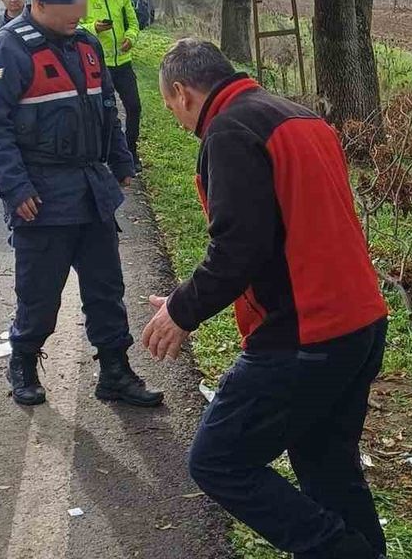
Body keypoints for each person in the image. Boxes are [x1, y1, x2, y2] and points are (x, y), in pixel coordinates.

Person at [141, 39, 390, 559]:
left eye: (170, 108)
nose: (179, 122)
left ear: (183, 93)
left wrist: (181, 312)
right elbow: (280, 232)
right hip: (361, 321)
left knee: (217, 460)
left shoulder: (229, 132)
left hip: (305, 332)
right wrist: (188, 297)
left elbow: (238, 249)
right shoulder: (295, 115)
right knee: (327, 464)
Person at [0, 0, 161, 409]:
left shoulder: (87, 44)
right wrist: (15, 188)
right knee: (39, 293)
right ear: (40, 3)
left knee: (106, 288)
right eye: (71, 5)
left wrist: (121, 160)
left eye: (81, 2)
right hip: (41, 195)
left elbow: (106, 109)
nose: (80, 12)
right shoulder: (7, 50)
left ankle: (115, 370)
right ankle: (23, 361)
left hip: (91, 189)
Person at [80, 0, 143, 166]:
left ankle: (131, 152)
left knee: (134, 107)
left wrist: (130, 38)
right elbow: (76, 27)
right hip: (99, 65)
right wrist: (94, 28)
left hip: (123, 62)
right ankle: (103, 156)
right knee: (103, 112)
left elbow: (133, 24)